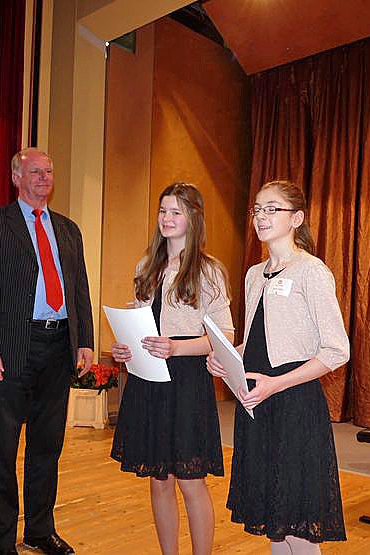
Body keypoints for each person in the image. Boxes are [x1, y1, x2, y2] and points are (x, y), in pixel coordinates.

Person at [0, 148, 94, 555]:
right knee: (0, 447)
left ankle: (40, 529)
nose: (44, 177)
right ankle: (1, 541)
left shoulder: (68, 229)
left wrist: (85, 340)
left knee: (47, 446)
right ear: (16, 177)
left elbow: (79, 289)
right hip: (9, 348)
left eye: (49, 171)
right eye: (35, 171)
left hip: (58, 347)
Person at [207, 180, 349, 555]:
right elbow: (261, 340)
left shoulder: (311, 272)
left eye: (272, 209)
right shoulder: (255, 274)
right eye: (257, 209)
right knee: (275, 519)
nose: (261, 216)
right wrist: (227, 355)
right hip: (258, 405)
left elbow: (337, 350)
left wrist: (276, 383)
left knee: (297, 520)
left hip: (294, 404)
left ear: (296, 219)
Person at [110, 182, 233, 555]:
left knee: (190, 481)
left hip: (187, 381)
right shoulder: (146, 265)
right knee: (158, 479)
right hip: (148, 379)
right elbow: (140, 322)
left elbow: (224, 335)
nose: (167, 218)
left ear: (193, 218)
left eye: (176, 212)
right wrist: (126, 348)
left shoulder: (209, 270)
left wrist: (177, 348)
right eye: (163, 211)